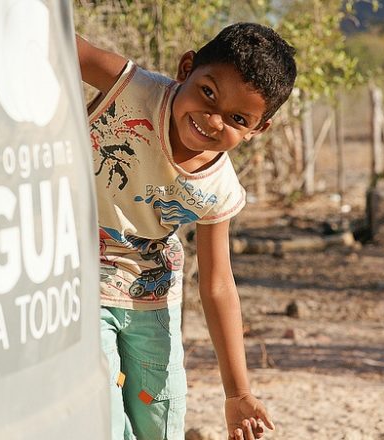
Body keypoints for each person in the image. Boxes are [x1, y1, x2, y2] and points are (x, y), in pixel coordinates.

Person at [76, 22, 297, 440]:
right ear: (186, 68)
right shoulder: (132, 90)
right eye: (208, 93)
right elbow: (66, 48)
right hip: (81, 284)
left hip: (152, 299)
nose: (212, 120)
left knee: (160, 419)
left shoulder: (218, 188)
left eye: (236, 118)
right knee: (100, 418)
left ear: (256, 130)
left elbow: (217, 285)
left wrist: (237, 393)